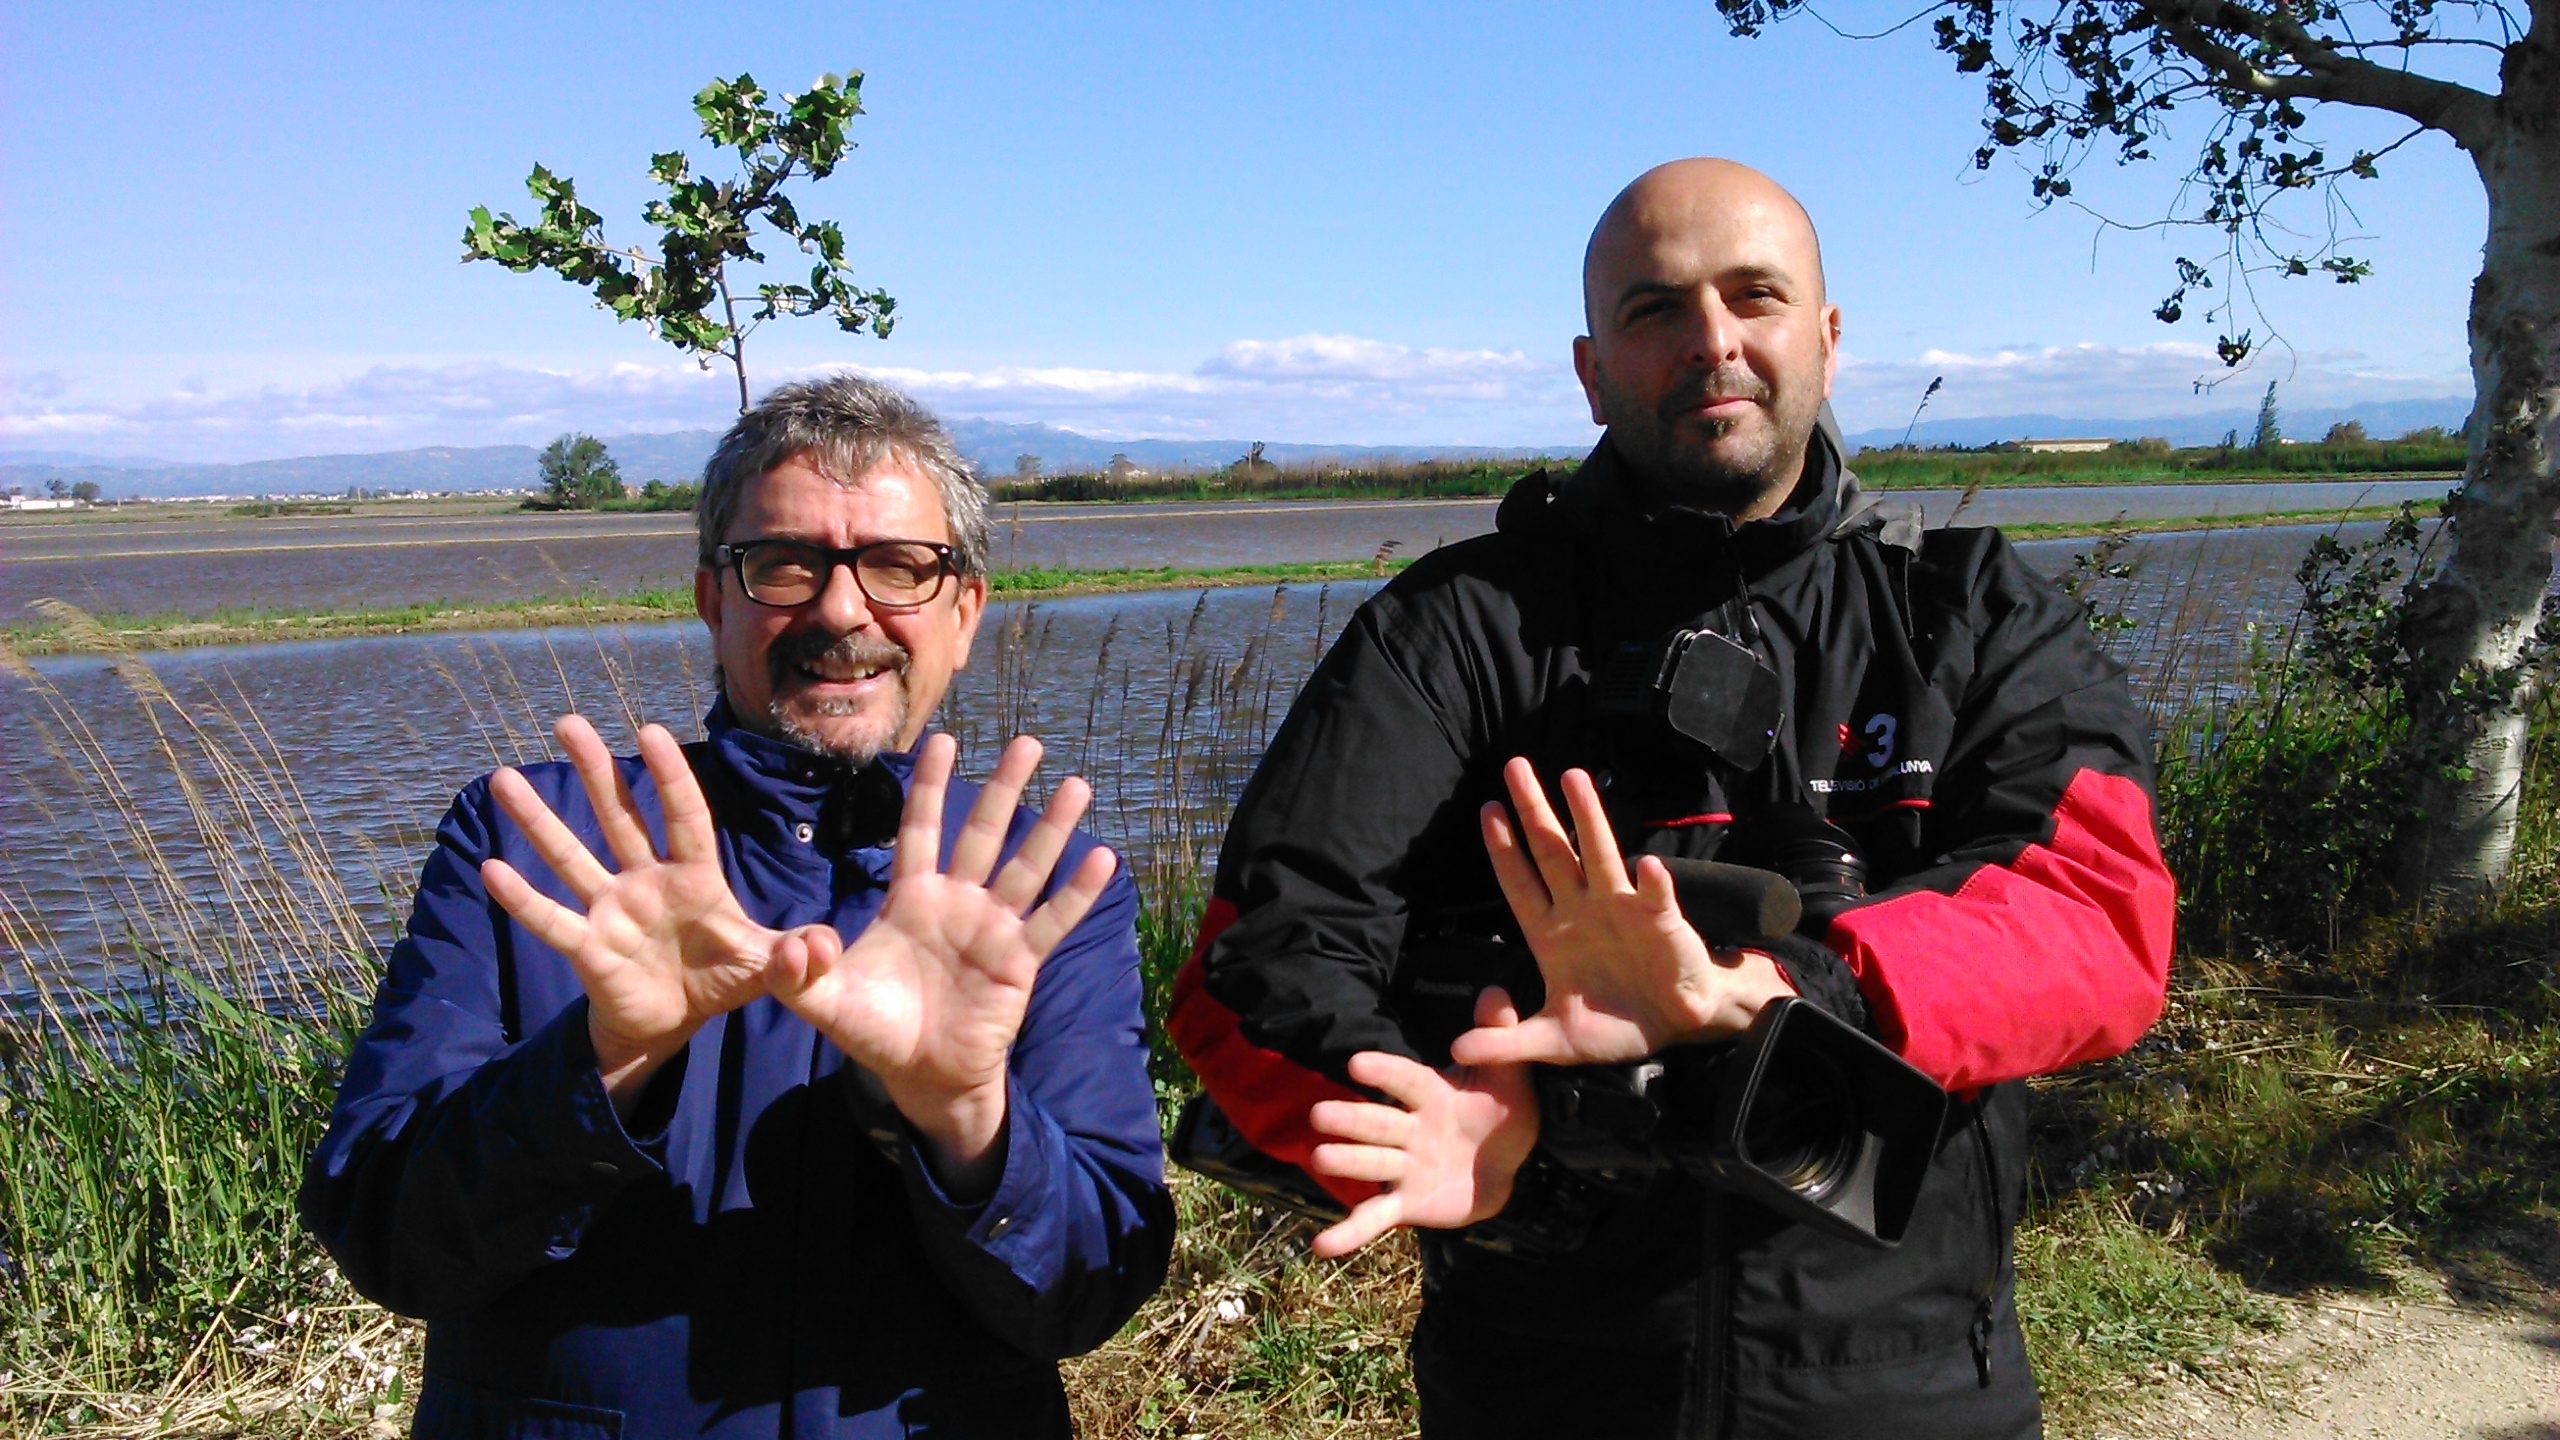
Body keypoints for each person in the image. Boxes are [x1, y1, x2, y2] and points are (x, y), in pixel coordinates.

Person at [1168, 159, 2174, 1437]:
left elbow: (2094, 915)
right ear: (1592, 369)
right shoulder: (1460, 629)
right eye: (1656, 310)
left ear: (1825, 334)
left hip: (1909, 1379)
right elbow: (1256, 954)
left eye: (1755, 296)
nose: (1714, 342)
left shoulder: (1966, 612)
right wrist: (1462, 1118)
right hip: (1542, 1377)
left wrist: (1792, 997)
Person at [302, 376, 1173, 1439]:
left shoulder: (1040, 895)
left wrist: (964, 1117)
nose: (843, 611)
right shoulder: (540, 840)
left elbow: (1087, 1295)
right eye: (786, 564)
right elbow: (392, 1242)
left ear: (966, 609)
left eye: (900, 566)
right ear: (715, 598)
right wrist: (604, 1058)